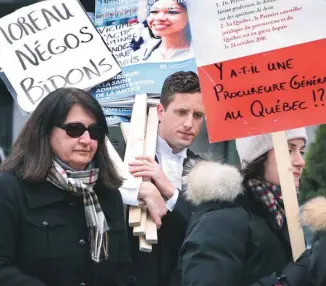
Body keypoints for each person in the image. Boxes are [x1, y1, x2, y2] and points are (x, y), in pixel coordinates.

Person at [0, 88, 135, 286]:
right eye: (74, 130)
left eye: (95, 131)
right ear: (46, 131)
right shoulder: (11, 189)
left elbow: (122, 272)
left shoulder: (108, 193)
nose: (86, 140)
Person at [180, 128, 312, 286]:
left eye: (302, 151)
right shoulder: (220, 222)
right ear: (259, 156)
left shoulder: (282, 218)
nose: (300, 161)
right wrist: (286, 281)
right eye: (289, 150)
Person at [120, 71, 205, 286]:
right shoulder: (126, 150)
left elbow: (205, 229)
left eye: (197, 115)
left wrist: (171, 192)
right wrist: (141, 191)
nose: (189, 124)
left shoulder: (206, 170)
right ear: (160, 111)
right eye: (181, 112)